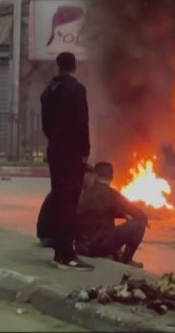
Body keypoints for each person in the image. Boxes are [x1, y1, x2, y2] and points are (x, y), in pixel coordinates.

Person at [40, 51, 93, 271]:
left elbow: (45, 125)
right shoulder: (76, 90)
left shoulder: (49, 90)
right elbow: (82, 123)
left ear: (58, 66)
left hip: (55, 151)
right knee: (69, 203)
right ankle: (66, 256)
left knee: (58, 199)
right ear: (74, 66)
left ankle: (58, 251)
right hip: (71, 154)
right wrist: (85, 151)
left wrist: (55, 141)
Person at [75, 162, 148, 268]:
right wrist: (140, 218)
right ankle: (125, 260)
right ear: (112, 177)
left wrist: (120, 214)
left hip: (80, 247)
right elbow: (138, 213)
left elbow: (95, 211)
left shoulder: (84, 193)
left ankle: (116, 254)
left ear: (95, 175)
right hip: (98, 248)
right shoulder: (113, 195)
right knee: (139, 224)